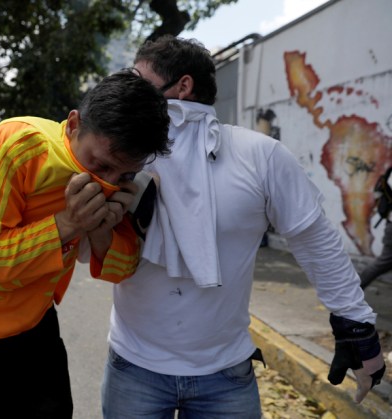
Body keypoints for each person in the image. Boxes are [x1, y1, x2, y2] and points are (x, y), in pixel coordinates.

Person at [101, 36, 386, 418]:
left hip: (225, 377)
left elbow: (315, 240)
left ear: (183, 86)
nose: (129, 88)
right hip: (133, 368)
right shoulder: (122, 153)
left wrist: (355, 324)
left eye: (139, 78)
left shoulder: (260, 155)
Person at [0, 70, 171, 418]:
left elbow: (122, 268)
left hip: (37, 325)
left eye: (124, 175)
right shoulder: (16, 145)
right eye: (99, 165)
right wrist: (68, 224)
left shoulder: (122, 186)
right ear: (73, 125)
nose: (108, 182)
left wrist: (102, 230)